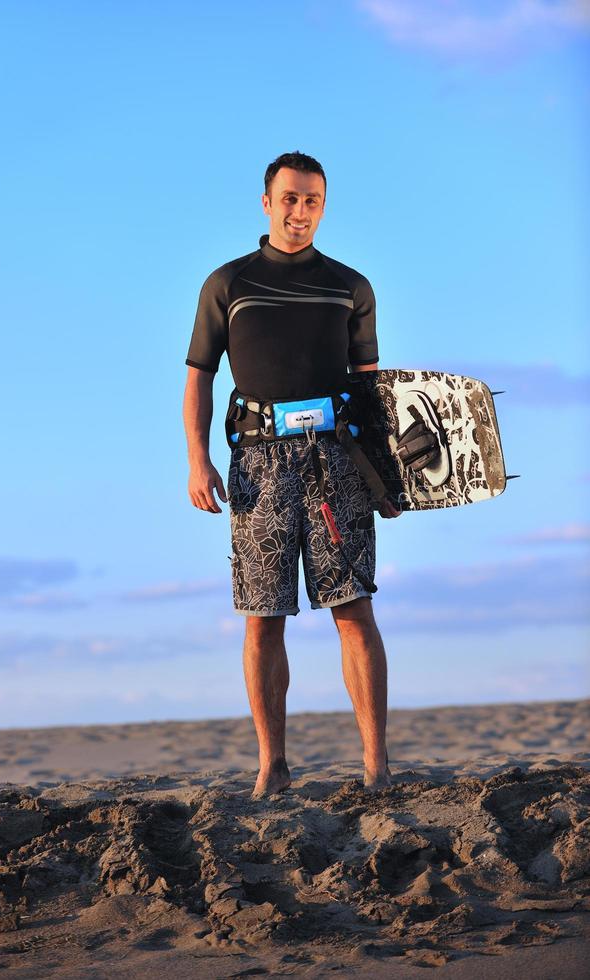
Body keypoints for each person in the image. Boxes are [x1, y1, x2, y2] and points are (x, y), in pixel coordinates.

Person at [182, 151, 401, 799]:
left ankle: (376, 766)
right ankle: (272, 765)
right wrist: (197, 459)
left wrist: (387, 474)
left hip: (337, 458)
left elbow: (371, 389)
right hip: (257, 463)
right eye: (288, 198)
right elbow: (198, 376)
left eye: (311, 201)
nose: (299, 211)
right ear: (265, 202)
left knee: (353, 608)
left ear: (322, 206)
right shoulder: (229, 284)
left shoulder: (351, 287)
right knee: (262, 615)